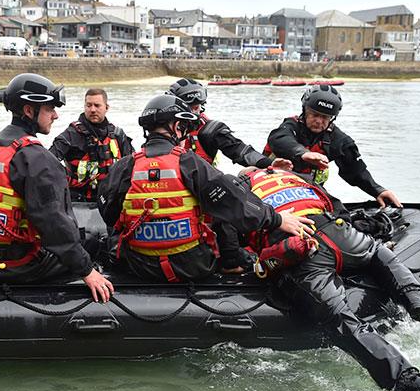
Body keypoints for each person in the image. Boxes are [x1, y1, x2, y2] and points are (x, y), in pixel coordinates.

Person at [243, 166, 420, 391]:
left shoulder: (241, 188)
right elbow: (335, 206)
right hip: (340, 232)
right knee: (378, 252)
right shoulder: (296, 179)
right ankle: (416, 300)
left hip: (304, 251)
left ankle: (414, 386)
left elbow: (230, 235)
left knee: (342, 321)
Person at [97, 93, 314, 283]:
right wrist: (277, 219)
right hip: (192, 266)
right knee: (227, 190)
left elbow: (108, 211)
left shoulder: (125, 166)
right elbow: (233, 203)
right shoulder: (190, 163)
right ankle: (232, 263)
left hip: (140, 265)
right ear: (176, 126)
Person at [0, 73, 115, 303]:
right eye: (50, 108)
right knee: (91, 242)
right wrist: (87, 271)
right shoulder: (36, 158)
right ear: (29, 111)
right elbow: (54, 225)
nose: (55, 114)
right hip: (18, 267)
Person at [167, 77, 292, 273]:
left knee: (229, 190)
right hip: (171, 190)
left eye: (197, 107)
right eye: (189, 106)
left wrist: (269, 164)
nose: (194, 112)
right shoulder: (162, 126)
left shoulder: (210, 130)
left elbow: (240, 150)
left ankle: (231, 261)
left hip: (204, 188)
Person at [266, 84, 401, 207]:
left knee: (337, 209)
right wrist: (303, 153)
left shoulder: (337, 139)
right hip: (274, 189)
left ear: (332, 118)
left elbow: (355, 170)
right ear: (305, 111)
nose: (319, 121)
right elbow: (278, 139)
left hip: (309, 193)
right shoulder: (290, 126)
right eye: (315, 115)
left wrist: (377, 190)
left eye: (325, 117)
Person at [49, 88, 134, 202]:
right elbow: (47, 163)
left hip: (111, 202)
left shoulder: (118, 135)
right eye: (89, 105)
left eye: (97, 105)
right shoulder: (70, 135)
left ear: (106, 108)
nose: (92, 110)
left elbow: (133, 165)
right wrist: (67, 181)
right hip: (79, 202)